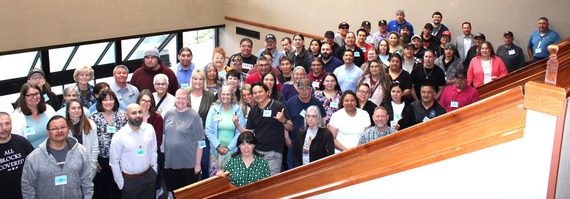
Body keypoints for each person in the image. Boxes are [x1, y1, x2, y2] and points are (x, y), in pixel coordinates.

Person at [21, 115, 94, 199]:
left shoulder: (81, 151)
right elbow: (27, 187)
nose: (59, 131)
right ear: (47, 132)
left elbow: (87, 179)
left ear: (68, 129)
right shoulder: (33, 158)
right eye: (55, 128)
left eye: (63, 127)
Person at [110, 104, 157, 198]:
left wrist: (154, 171)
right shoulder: (119, 136)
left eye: (140, 112)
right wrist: (121, 184)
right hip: (130, 182)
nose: (138, 115)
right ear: (127, 116)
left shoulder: (149, 129)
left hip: (149, 177)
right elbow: (114, 162)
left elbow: (153, 150)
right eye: (134, 113)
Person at [163, 89, 205, 192]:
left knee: (187, 194)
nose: (180, 101)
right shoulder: (168, 114)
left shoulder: (194, 116)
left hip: (188, 165)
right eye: (178, 98)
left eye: (184, 98)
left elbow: (201, 142)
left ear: (188, 100)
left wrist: (198, 164)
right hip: (170, 163)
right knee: (173, 192)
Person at [246, 82, 292, 175]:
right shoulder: (253, 111)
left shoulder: (278, 106)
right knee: (258, 183)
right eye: (255, 93)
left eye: (260, 92)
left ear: (267, 92)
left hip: (274, 153)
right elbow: (249, 133)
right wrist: (237, 125)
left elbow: (290, 127)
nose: (258, 95)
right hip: (257, 153)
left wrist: (283, 120)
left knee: (270, 183)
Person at [89, 90, 127, 199]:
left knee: (118, 189)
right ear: (100, 102)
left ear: (115, 101)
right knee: (101, 191)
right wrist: (94, 161)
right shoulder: (93, 118)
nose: (108, 102)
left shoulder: (122, 115)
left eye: (111, 99)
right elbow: (90, 141)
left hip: (120, 159)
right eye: (105, 99)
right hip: (101, 160)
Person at [285, 78, 326, 169]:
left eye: (307, 89)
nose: (304, 91)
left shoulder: (317, 103)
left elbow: (323, 121)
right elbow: (286, 121)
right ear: (298, 89)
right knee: (292, 170)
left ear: (311, 90)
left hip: (313, 144)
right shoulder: (290, 103)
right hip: (294, 142)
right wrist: (286, 137)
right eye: (301, 89)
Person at [205, 86, 246, 177]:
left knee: (231, 179)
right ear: (220, 95)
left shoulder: (237, 110)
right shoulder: (213, 109)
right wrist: (218, 146)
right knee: (214, 179)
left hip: (232, 151)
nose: (225, 96)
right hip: (215, 151)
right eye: (223, 94)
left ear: (232, 96)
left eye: (228, 94)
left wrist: (228, 148)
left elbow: (240, 131)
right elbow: (208, 130)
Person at [188, 68, 217, 181]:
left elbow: (213, 115)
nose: (198, 81)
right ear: (192, 80)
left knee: (204, 162)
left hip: (203, 136)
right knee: (190, 163)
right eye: (195, 78)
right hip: (187, 136)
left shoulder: (209, 95)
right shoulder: (186, 93)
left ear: (204, 81)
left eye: (201, 79)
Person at [137, 89, 165, 195]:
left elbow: (158, 141)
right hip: (135, 154)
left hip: (152, 154)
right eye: (143, 100)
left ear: (152, 103)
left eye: (148, 101)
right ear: (138, 101)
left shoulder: (157, 118)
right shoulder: (134, 116)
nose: (145, 103)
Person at [0, 112, 34, 199]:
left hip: (25, 194)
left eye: (7, 123)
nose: (4, 128)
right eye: (0, 125)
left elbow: (34, 165)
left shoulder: (22, 142)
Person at [11, 83, 57, 148]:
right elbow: (17, 142)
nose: (35, 97)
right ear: (24, 97)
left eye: (37, 94)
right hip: (31, 154)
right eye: (30, 95)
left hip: (54, 149)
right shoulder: (16, 116)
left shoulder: (48, 109)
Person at [65, 99, 99, 177]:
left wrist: (93, 165)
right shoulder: (63, 126)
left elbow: (94, 147)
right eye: (73, 108)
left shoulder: (90, 124)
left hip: (87, 165)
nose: (77, 110)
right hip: (70, 167)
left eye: (79, 108)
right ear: (68, 110)